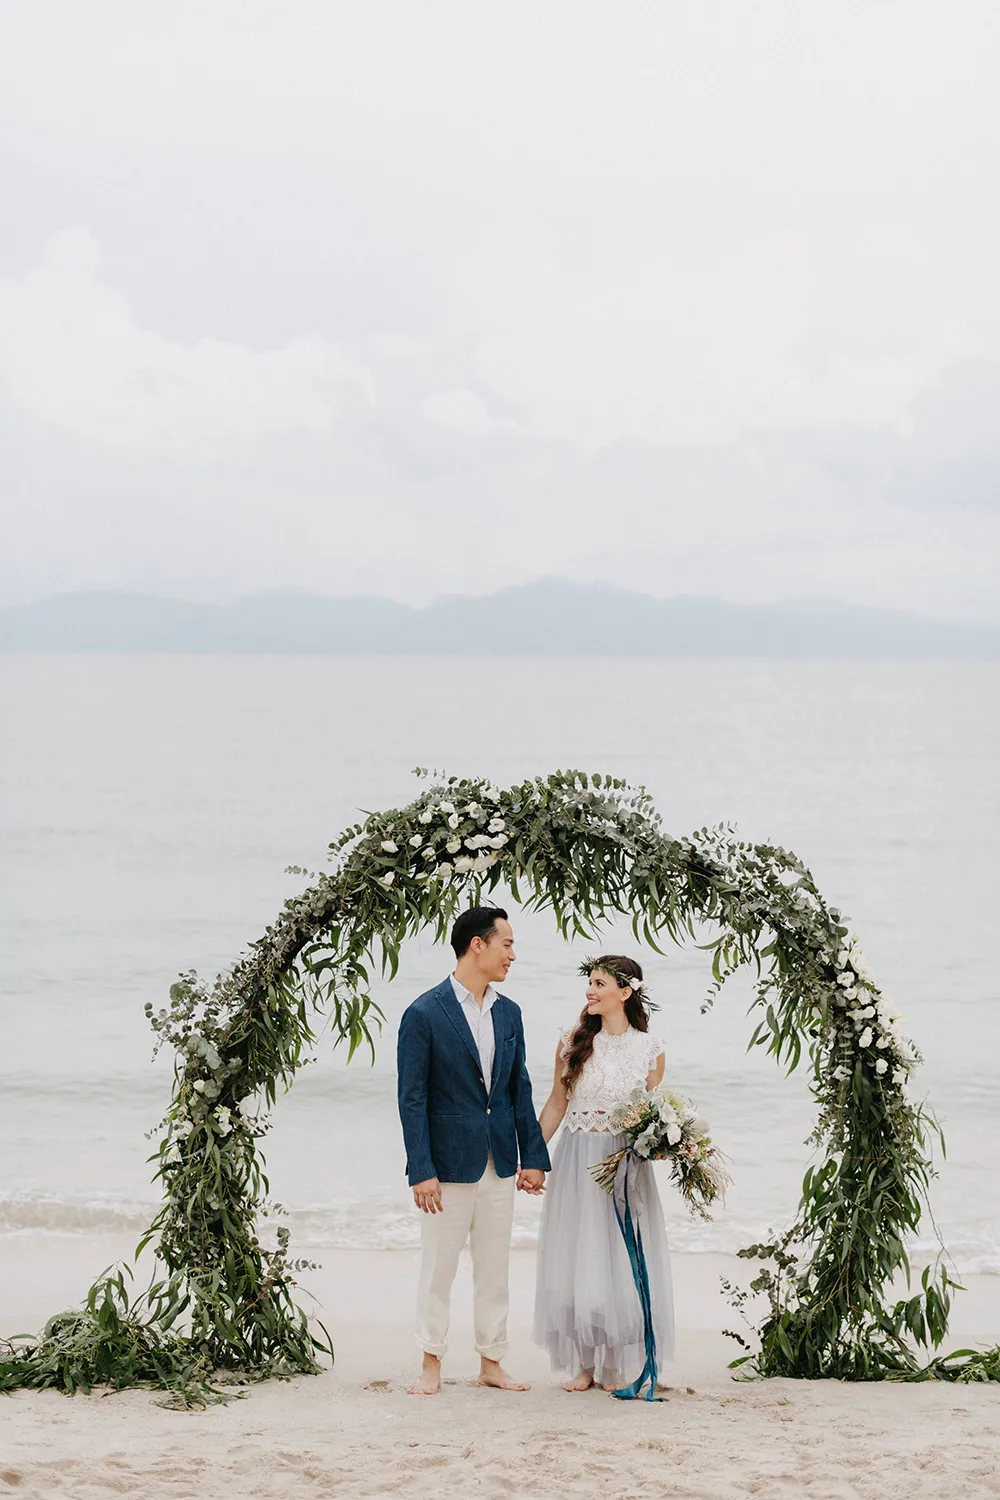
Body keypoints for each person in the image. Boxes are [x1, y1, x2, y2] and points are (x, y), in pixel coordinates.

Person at [396, 905, 550, 1395]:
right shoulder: (423, 1012)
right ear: (477, 945)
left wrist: (533, 1159)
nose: (513, 955)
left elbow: (517, 1089)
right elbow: (412, 1098)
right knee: (438, 1268)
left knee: (494, 1268)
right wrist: (420, 1169)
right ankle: (430, 1362)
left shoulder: (509, 1013)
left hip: (500, 1162)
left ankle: (491, 1361)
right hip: (446, 1167)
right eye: (506, 943)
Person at [533, 955, 675, 1392]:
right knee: (581, 1254)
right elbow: (557, 1104)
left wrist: (662, 1145)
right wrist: (534, 1157)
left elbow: (653, 1113)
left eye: (599, 984)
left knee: (622, 1254)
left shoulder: (650, 1049)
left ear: (625, 992)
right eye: (589, 982)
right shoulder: (573, 1041)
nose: (590, 991)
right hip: (578, 1159)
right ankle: (585, 1365)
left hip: (625, 1165)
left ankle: (619, 1360)